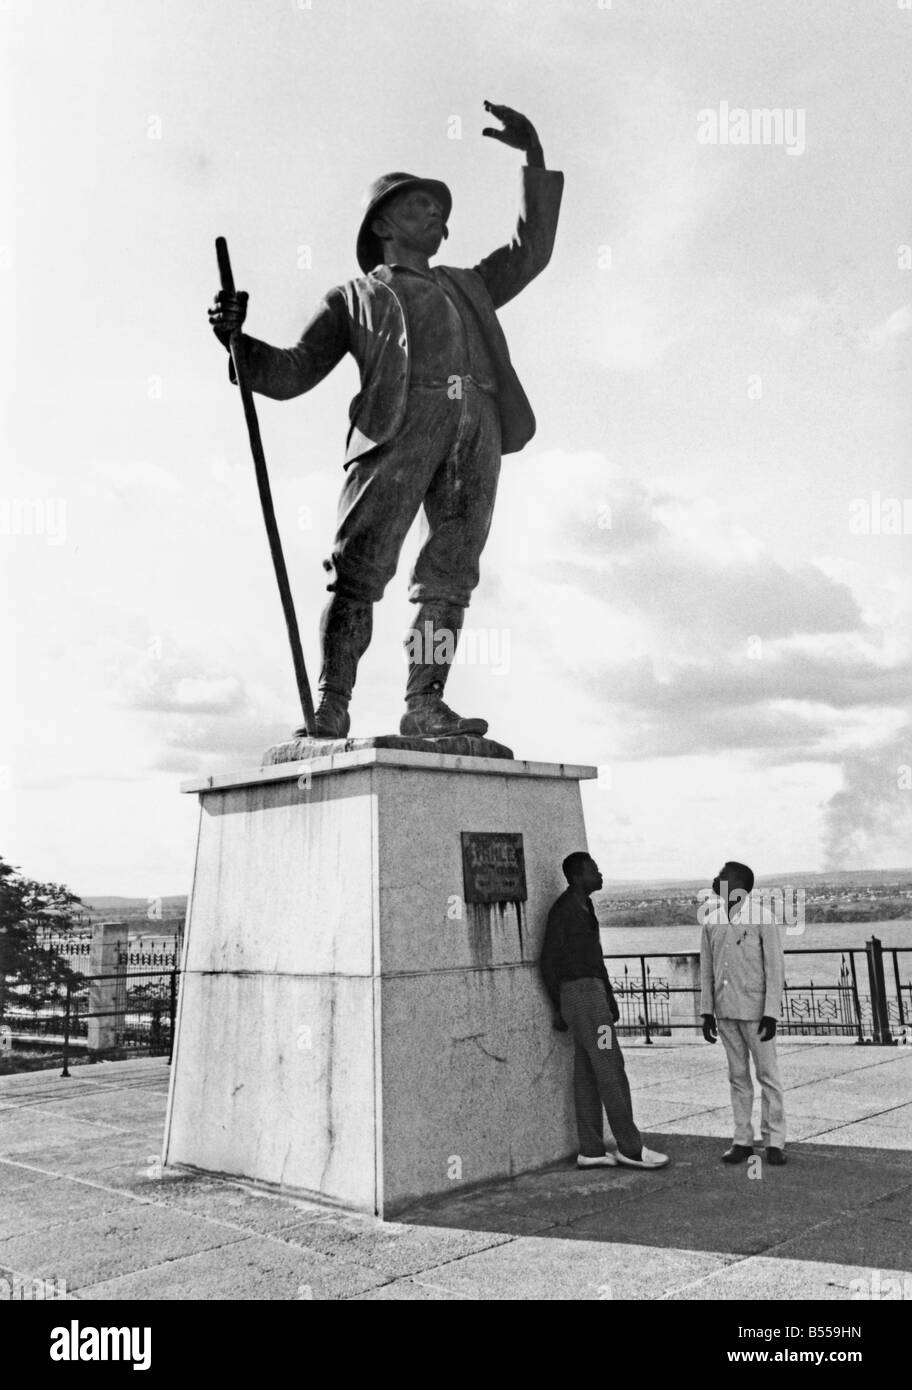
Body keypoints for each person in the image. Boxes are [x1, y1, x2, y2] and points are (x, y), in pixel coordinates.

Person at [208, 101, 563, 741]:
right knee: (359, 569)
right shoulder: (353, 297)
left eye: (440, 209)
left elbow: (531, 251)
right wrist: (238, 342)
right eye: (419, 204)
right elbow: (291, 373)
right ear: (382, 224)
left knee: (450, 574)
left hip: (474, 424)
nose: (437, 214)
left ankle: (425, 701)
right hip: (396, 426)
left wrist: (534, 158)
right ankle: (332, 702)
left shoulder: (471, 284)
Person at [540, 852, 669, 1170]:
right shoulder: (566, 910)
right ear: (577, 875)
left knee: (586, 1074)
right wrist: (560, 1006)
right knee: (611, 1069)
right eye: (594, 871)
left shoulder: (583, 906)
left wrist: (608, 997)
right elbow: (549, 960)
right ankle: (631, 1148)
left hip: (592, 994)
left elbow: (594, 960)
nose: (600, 875)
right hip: (581, 995)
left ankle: (591, 1149)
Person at [700, 860, 788, 1165]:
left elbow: (775, 970)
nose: (715, 878)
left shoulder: (763, 919)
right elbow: (707, 971)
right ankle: (742, 1140)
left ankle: (774, 1141)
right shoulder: (711, 921)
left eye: (722, 876)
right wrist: (707, 1012)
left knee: (768, 1076)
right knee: (737, 1076)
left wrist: (771, 1014)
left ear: (737, 884)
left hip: (756, 1012)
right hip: (725, 1011)